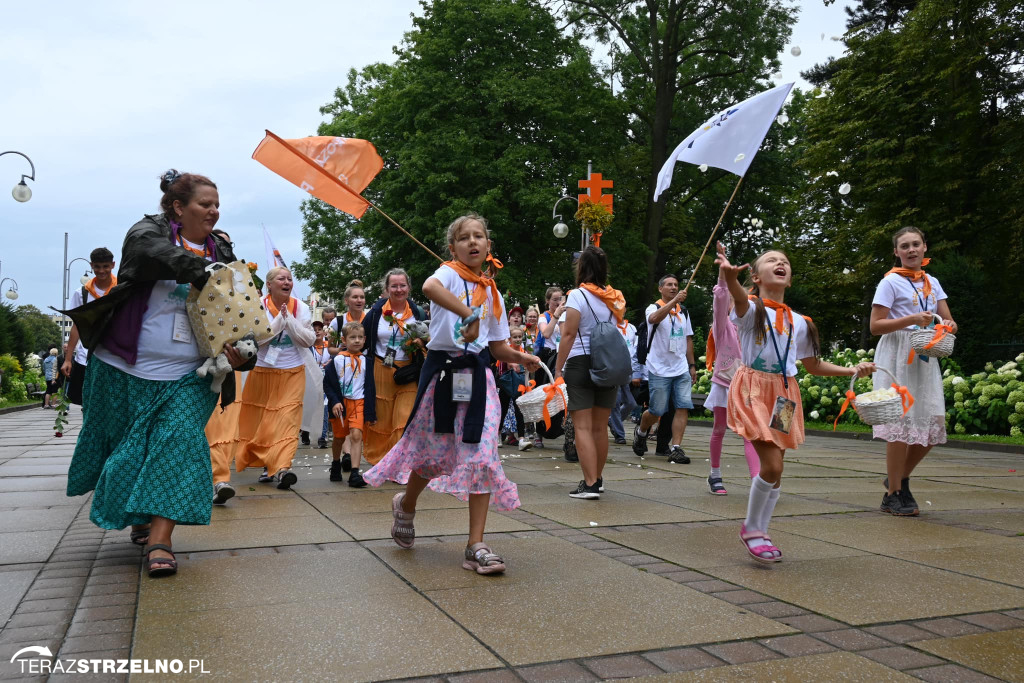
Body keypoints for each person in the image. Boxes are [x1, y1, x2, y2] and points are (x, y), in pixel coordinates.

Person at [65, 169, 248, 578]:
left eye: (217, 204)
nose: (214, 211)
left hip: (190, 373)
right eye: (205, 204)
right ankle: (143, 518)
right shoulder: (148, 232)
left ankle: (161, 540)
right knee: (130, 449)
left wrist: (244, 350)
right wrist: (201, 270)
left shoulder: (223, 247)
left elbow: (239, 305)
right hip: (124, 366)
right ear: (178, 207)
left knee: (179, 442)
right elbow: (151, 254)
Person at [364, 213, 540, 575]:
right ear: (453, 247)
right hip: (443, 374)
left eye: (479, 237)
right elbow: (429, 288)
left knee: (483, 456)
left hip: (478, 378)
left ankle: (476, 544)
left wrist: (523, 357)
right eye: (465, 238)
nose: (473, 242)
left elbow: (497, 346)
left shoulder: (493, 293)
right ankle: (406, 504)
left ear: (488, 246)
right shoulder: (447, 273)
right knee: (432, 457)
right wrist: (467, 313)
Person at [716, 244, 874, 563]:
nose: (780, 264)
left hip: (785, 395)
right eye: (771, 260)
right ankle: (752, 530)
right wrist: (730, 278)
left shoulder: (800, 322)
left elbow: (813, 365)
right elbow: (738, 298)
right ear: (757, 278)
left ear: (789, 280)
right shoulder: (752, 309)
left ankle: (760, 529)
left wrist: (852, 370)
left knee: (779, 469)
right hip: (753, 390)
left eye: (784, 262)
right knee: (771, 465)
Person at [869, 226, 957, 516]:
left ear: (924, 248)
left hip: (925, 353)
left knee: (933, 424)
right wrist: (910, 318)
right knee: (897, 423)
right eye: (904, 246)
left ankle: (899, 478)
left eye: (915, 244)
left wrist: (949, 326)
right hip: (896, 354)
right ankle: (894, 493)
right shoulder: (890, 282)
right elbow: (875, 325)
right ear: (896, 252)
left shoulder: (932, 281)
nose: (911, 250)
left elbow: (947, 318)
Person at [233, 267, 316, 490]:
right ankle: (266, 466)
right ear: (269, 284)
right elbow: (256, 340)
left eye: (289, 279)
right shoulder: (257, 305)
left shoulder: (301, 307)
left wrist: (291, 322)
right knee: (262, 423)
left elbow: (309, 340)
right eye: (281, 278)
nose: (287, 282)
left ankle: (282, 468)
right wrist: (280, 320)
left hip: (293, 371)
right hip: (262, 370)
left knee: (288, 421)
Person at [554, 246, 627, 500]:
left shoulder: (577, 295)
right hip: (606, 364)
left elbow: (569, 334)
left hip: (580, 363)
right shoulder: (614, 297)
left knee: (583, 427)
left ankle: (590, 483)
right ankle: (598, 478)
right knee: (599, 428)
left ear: (581, 268)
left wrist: (558, 368)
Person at [362, 269, 427, 466]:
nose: (399, 290)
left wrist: (422, 343)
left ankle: (399, 464)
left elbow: (428, 339)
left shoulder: (417, 313)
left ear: (409, 287)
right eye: (394, 286)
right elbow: (363, 338)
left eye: (402, 285)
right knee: (381, 420)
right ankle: (381, 462)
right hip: (381, 368)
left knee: (403, 419)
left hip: (408, 372)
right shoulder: (375, 313)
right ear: (387, 288)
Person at [631, 275, 695, 463]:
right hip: (659, 368)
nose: (674, 287)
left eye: (676, 285)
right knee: (657, 410)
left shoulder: (683, 312)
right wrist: (674, 302)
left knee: (683, 406)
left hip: (680, 367)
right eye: (669, 285)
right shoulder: (654, 307)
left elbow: (688, 339)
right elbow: (654, 319)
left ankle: (676, 448)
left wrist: (691, 365)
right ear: (660, 289)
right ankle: (642, 431)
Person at [62, 247, 117, 405]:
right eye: (97, 266)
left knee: (111, 403)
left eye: (105, 266)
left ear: (113, 265)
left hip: (115, 356)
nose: (101, 271)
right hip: (86, 356)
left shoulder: (120, 289)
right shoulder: (82, 293)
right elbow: (77, 327)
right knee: (87, 402)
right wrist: (68, 359)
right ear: (91, 265)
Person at [324, 322, 369, 486]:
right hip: (341, 405)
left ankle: (355, 473)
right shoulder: (336, 360)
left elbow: (370, 386)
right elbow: (328, 383)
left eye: (360, 337)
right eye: (352, 337)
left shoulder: (366, 362)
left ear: (364, 340)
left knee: (357, 435)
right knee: (339, 437)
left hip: (359, 402)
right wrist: (335, 401)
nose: (356, 341)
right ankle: (336, 463)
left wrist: (371, 410)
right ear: (344, 339)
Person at [607, 319, 641, 445]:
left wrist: (637, 372)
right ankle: (619, 434)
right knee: (615, 402)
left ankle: (612, 422)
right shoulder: (609, 326)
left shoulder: (632, 328)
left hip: (627, 370)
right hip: (614, 369)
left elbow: (636, 350)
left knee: (631, 403)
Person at [311, 321, 332, 449]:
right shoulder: (307, 347)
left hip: (326, 382)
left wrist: (331, 361)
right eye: (314, 329)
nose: (317, 331)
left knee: (324, 407)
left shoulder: (329, 346)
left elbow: (338, 356)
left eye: (319, 329)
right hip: (312, 382)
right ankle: (307, 432)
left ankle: (322, 437)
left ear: (324, 332)